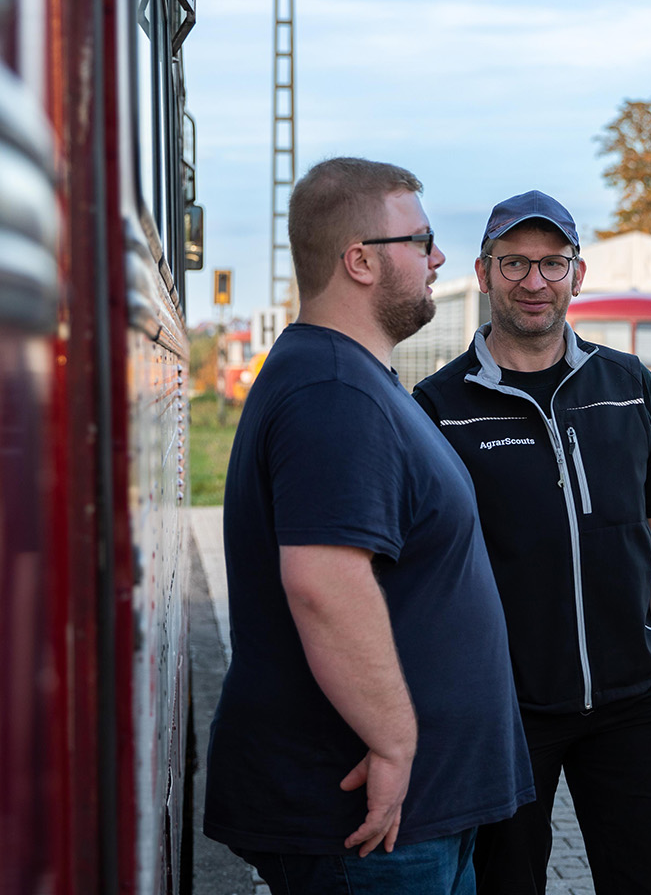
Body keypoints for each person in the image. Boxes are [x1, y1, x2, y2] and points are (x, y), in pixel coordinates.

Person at [203, 158, 534, 895]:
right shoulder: (330, 392)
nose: (438, 258)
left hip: (415, 816)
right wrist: (394, 742)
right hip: (369, 823)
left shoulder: (352, 380)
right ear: (359, 261)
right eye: (420, 241)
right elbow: (323, 581)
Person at [413, 190, 651, 895]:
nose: (534, 281)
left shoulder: (629, 383)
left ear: (579, 275)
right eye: (514, 262)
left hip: (638, 705)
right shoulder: (438, 407)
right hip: (504, 714)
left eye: (553, 263)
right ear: (483, 274)